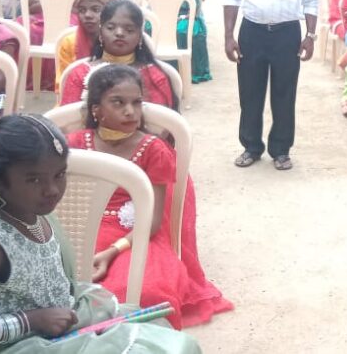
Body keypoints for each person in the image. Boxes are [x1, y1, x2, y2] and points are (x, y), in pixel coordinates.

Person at [0, 114, 202, 353]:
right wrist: (32, 320)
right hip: (27, 344)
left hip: (67, 324)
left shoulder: (38, 214)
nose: (52, 190)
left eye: (60, 175)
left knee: (175, 343)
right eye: (34, 179)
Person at [66, 65, 232, 329]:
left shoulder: (154, 149)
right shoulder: (74, 143)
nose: (130, 111)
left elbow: (152, 221)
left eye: (136, 102)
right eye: (118, 102)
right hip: (78, 229)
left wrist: (111, 252)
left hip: (135, 235)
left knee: (144, 292)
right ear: (96, 109)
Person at [224, 0, 318, 171]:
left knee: (284, 94)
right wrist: (229, 36)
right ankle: (251, 147)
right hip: (251, 32)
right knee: (250, 92)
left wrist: (310, 35)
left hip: (287, 33)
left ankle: (281, 149)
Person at [60, 0, 178, 109]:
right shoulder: (80, 74)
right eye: (111, 28)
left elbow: (163, 121)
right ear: (100, 32)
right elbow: (66, 120)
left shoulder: (154, 76)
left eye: (129, 30)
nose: (119, 33)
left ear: (140, 36)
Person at [152, 0, 212, 84]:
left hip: (186, 17)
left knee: (183, 30)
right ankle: (157, 70)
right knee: (149, 28)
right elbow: (153, 7)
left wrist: (181, 17)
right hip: (163, 17)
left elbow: (195, 8)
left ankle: (190, 71)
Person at [55, 0, 114, 87]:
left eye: (95, 10)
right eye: (82, 10)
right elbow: (63, 84)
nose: (87, 15)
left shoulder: (119, 40)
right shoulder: (70, 42)